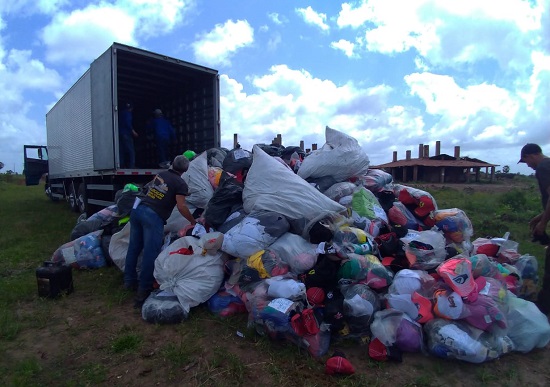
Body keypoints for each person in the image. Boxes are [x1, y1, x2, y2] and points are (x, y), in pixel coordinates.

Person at [124, 155, 196, 308]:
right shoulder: (181, 183)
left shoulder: (162, 174)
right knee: (151, 252)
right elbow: (182, 206)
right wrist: (192, 221)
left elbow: (157, 189)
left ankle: (129, 282)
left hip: (138, 210)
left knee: (134, 247)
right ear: (186, 169)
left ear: (173, 165)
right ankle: (143, 290)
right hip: (152, 216)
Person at [518, 143, 550, 314]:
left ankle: (545, 308)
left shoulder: (543, 167)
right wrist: (540, 216)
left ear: (532, 155)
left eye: (526, 161)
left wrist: (543, 223)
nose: (528, 165)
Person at [118, 102, 138, 168]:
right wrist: (133, 131)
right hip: (126, 134)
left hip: (120, 134)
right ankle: (132, 165)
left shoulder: (122, 113)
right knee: (131, 150)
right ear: (131, 108)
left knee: (121, 150)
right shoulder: (128, 114)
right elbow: (128, 123)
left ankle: (121, 164)